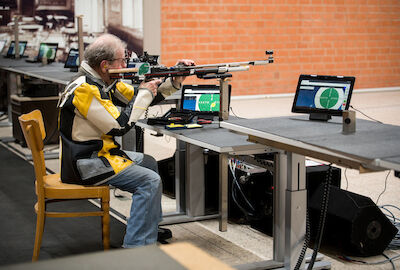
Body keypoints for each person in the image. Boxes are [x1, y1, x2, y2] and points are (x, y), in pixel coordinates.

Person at [57, 33, 194, 248]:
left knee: (148, 161)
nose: (126, 64)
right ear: (105, 65)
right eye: (122, 60)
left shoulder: (103, 82)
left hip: (100, 155)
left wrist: (174, 78)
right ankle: (136, 247)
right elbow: (120, 125)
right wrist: (143, 93)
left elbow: (143, 97)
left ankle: (148, 226)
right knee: (149, 181)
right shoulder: (86, 89)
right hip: (86, 163)